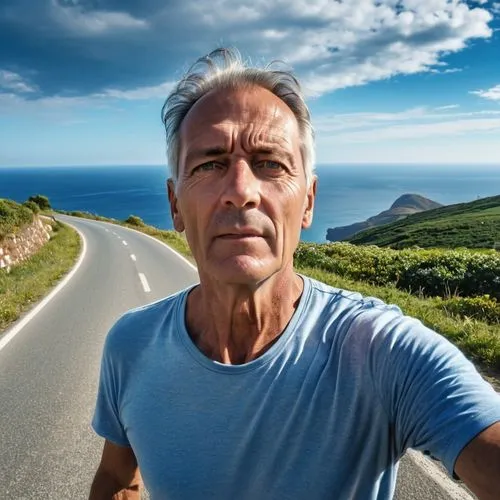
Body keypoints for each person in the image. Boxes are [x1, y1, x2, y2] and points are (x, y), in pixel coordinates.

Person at [89, 48, 500, 500]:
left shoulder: (383, 352)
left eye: (270, 163)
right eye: (209, 164)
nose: (241, 192)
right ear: (174, 206)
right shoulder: (130, 345)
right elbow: (116, 479)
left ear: (307, 201)